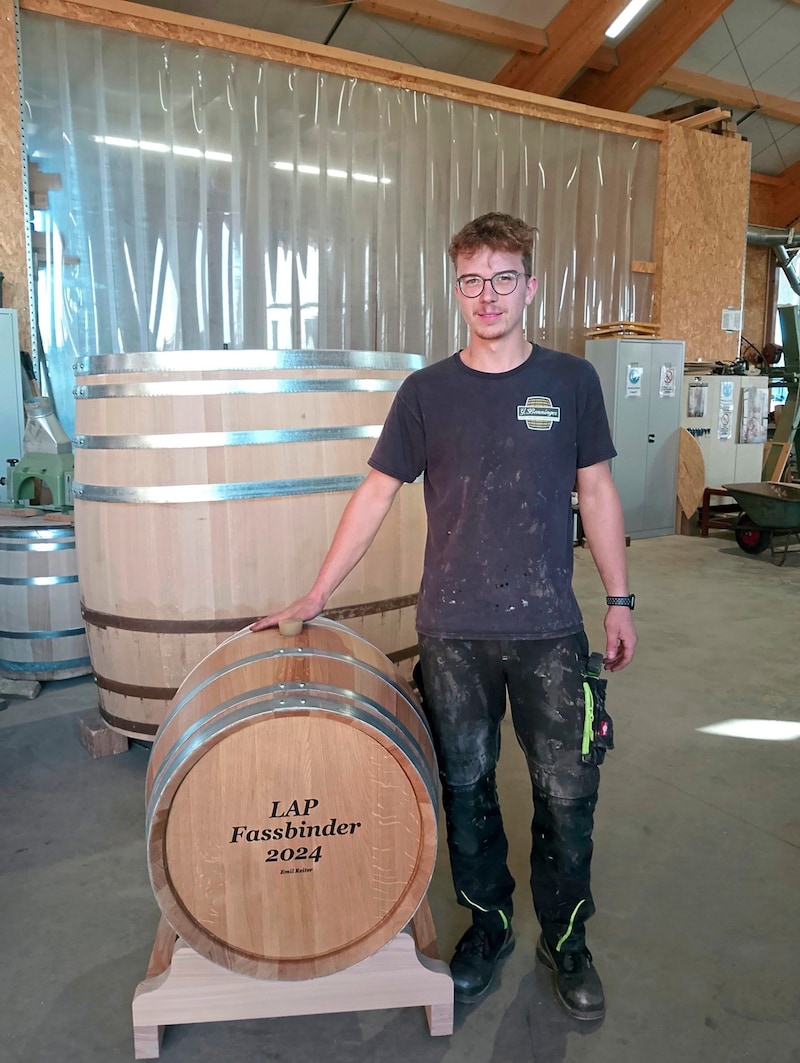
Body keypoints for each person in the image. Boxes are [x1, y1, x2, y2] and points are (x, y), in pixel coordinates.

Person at [253, 212, 637, 1021]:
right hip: (453, 631)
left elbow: (597, 490)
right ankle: (489, 926)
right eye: (472, 279)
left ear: (531, 287)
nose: (488, 294)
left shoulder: (571, 382)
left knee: (568, 790)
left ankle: (566, 938)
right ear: (455, 287)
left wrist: (620, 597)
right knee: (464, 789)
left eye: (504, 277)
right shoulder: (426, 392)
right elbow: (376, 492)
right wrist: (317, 591)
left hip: (549, 632)